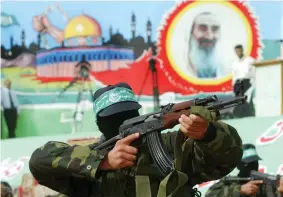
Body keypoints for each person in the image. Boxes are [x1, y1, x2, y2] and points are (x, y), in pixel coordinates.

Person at [29, 82, 243, 197]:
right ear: (99, 122)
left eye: (127, 113)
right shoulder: (88, 163)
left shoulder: (170, 146)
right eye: (111, 117)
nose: (120, 121)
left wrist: (208, 134)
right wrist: (103, 162)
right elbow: (39, 160)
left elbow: (228, 158)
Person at [205, 143, 283, 197]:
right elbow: (209, 195)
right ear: (238, 166)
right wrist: (240, 190)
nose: (253, 166)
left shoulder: (267, 183)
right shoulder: (229, 182)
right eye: (247, 163)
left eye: (254, 162)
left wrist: (281, 192)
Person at [185, 12, 225, 79]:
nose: (210, 37)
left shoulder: (229, 69)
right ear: (191, 32)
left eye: (215, 29)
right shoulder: (180, 66)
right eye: (202, 29)